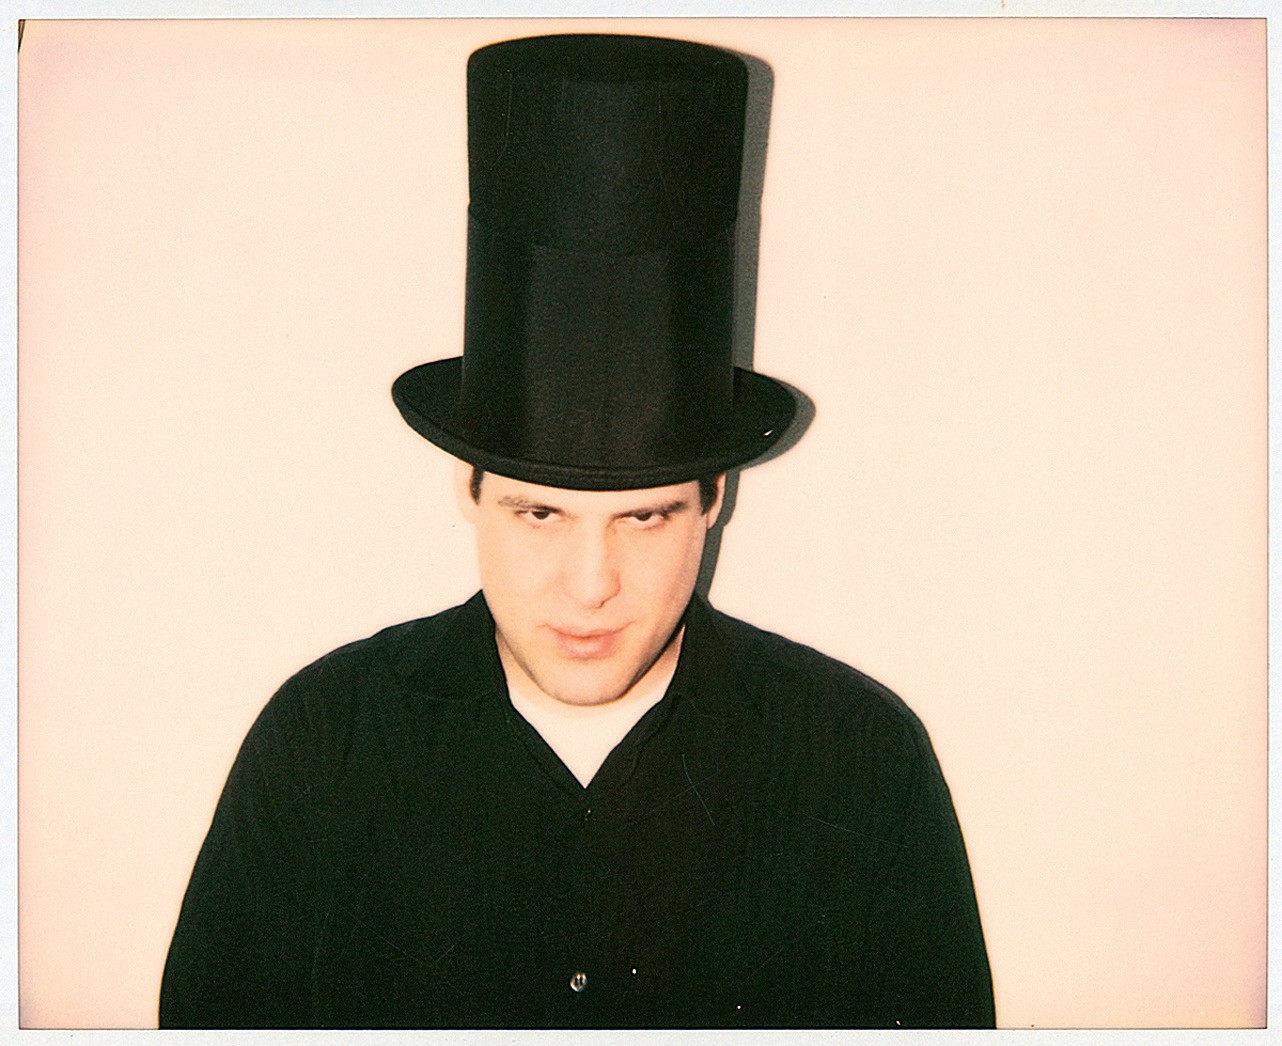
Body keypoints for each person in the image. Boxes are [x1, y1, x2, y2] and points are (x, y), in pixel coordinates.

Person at [159, 32, 994, 1029]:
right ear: (469, 489)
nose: (591, 584)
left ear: (713, 497)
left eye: (644, 516)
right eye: (540, 513)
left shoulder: (855, 760)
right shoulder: (326, 742)